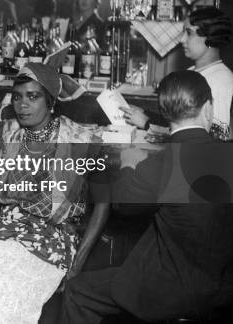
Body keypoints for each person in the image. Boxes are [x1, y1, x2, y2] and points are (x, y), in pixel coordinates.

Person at [61, 70, 233, 323]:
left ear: (165, 113)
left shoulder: (158, 164)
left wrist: (130, 164)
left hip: (171, 290)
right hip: (224, 289)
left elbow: (123, 208)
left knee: (78, 291)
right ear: (208, 108)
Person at [0, 63, 109, 324]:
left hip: (52, 240)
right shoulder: (8, 134)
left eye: (32, 96)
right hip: (6, 234)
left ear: (50, 101)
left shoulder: (81, 141)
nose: (22, 104)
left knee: (11, 303)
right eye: (17, 96)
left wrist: (78, 263)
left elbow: (105, 203)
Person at [123, 7, 233, 140]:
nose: (182, 40)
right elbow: (182, 121)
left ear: (210, 37)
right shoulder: (191, 73)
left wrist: (147, 123)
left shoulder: (221, 80)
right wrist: (145, 114)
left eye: (189, 33)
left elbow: (216, 138)